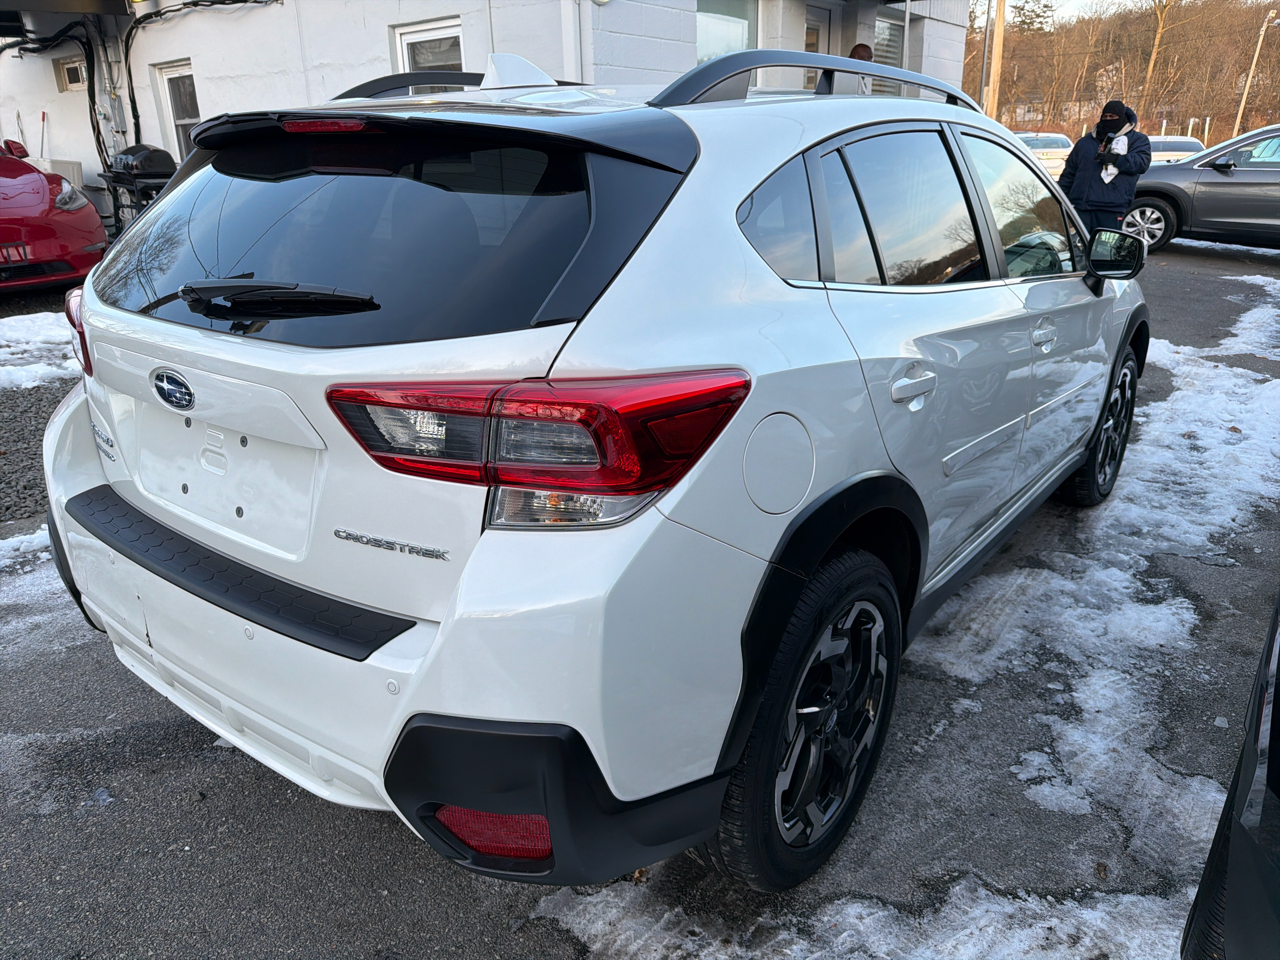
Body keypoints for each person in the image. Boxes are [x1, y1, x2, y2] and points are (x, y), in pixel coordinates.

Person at [1058, 100, 1151, 235]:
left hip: (1111, 208)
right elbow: (1070, 172)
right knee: (1077, 249)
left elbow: (1142, 163)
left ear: (1122, 118)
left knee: (1104, 252)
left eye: (1112, 117)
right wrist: (1060, 197)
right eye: (1105, 116)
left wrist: (1117, 160)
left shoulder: (1137, 140)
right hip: (1081, 206)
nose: (1108, 120)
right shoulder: (1085, 142)